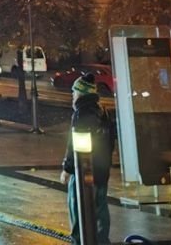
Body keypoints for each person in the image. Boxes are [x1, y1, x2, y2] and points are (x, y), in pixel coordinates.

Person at [61, 74, 114, 245]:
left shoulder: (82, 113)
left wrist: (67, 169)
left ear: (81, 93)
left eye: (74, 92)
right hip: (101, 171)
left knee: (79, 213)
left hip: (83, 173)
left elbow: (75, 146)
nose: (72, 96)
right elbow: (110, 143)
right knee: (100, 213)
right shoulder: (102, 111)